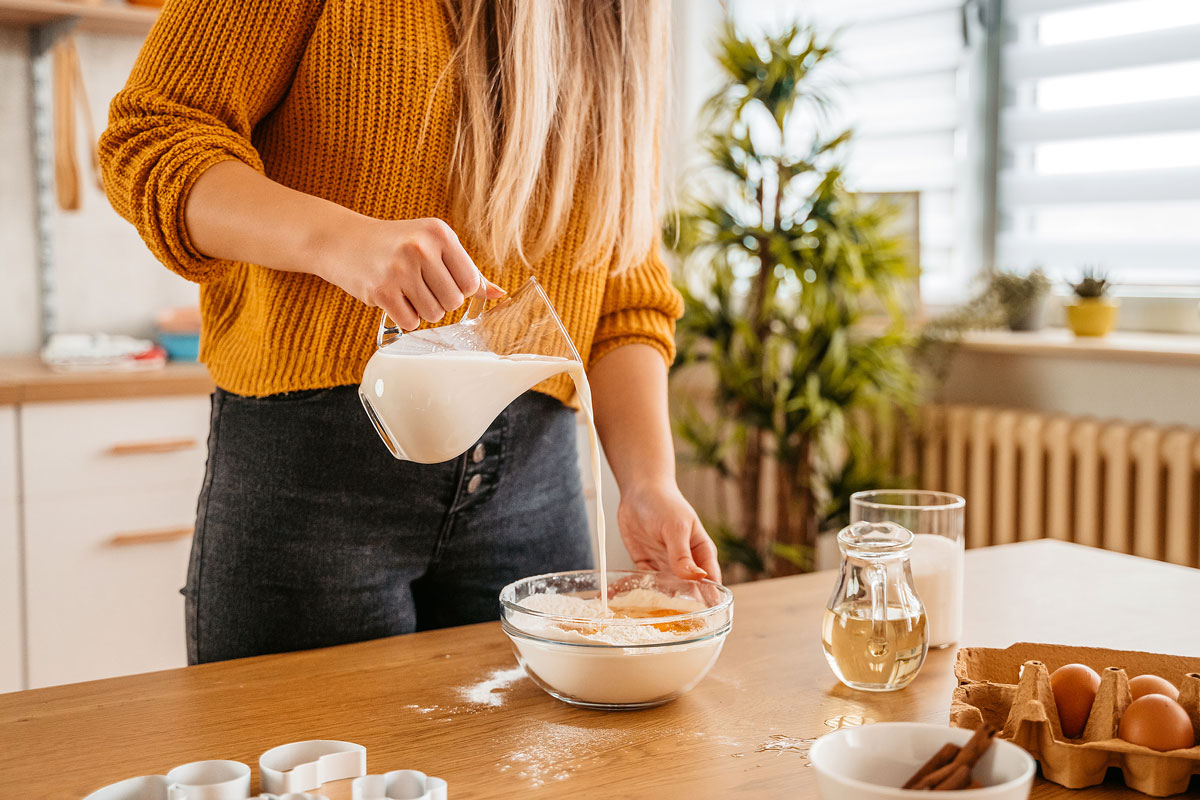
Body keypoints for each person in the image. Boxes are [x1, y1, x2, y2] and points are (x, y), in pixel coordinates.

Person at [100, 0, 720, 665]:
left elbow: (622, 291)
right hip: (314, 480)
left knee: (538, 768)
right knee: (305, 770)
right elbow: (154, 133)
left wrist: (650, 481)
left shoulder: (619, 18)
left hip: (536, 492)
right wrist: (342, 242)